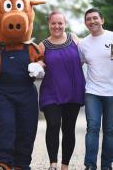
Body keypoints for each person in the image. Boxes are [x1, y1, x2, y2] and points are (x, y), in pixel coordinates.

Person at [39, 10, 85, 170]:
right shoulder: (43, 45)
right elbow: (34, 67)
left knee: (68, 128)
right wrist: (37, 65)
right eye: (53, 23)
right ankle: (53, 164)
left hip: (73, 90)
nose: (57, 26)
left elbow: (87, 57)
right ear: (49, 24)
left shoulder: (74, 39)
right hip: (51, 92)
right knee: (52, 125)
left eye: (60, 23)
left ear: (65, 24)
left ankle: (64, 165)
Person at [78, 8, 113, 170]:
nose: (92, 21)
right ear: (86, 24)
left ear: (102, 20)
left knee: (110, 131)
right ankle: (90, 165)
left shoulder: (112, 37)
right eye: (88, 19)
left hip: (112, 92)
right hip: (92, 92)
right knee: (92, 128)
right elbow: (76, 65)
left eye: (95, 18)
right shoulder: (84, 44)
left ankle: (106, 165)